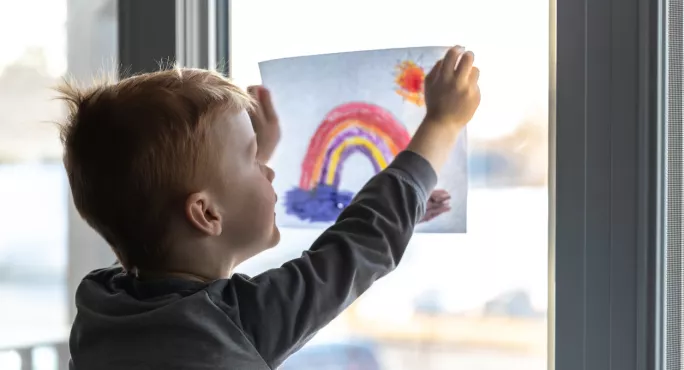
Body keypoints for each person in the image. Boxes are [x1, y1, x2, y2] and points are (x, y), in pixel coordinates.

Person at [61, 45, 480, 370]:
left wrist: (240, 158)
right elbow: (363, 243)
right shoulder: (234, 324)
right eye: (252, 159)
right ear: (206, 214)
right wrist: (441, 124)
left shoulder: (100, 305)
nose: (269, 172)